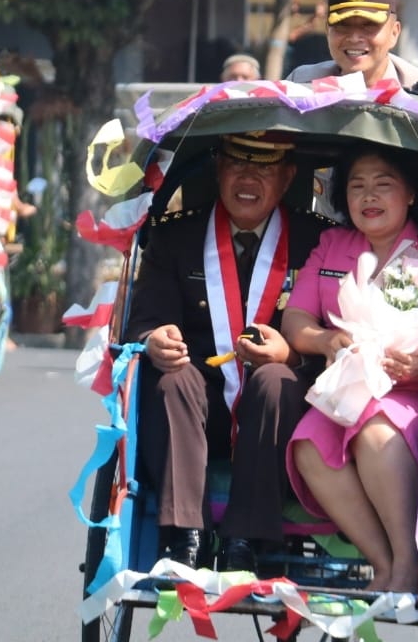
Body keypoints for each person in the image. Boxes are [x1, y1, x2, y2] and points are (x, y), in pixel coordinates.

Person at [125, 132, 333, 572]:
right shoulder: (176, 236)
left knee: (276, 381)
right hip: (199, 408)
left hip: (277, 414)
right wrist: (154, 339)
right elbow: (144, 319)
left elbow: (336, 339)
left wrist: (291, 358)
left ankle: (247, 536)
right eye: (238, 164)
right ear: (218, 169)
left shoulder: (318, 241)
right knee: (172, 377)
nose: (248, 178)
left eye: (265, 167)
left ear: (287, 176)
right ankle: (187, 534)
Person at [281, 144, 418, 594]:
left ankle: (408, 563)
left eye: (383, 184)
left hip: (412, 395)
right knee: (308, 444)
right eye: (357, 186)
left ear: (409, 193)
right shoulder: (333, 245)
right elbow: (296, 318)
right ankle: (384, 561)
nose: (369, 196)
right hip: (345, 390)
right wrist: (325, 340)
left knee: (375, 433)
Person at [286, 0, 418, 109]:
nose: (354, 38)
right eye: (343, 26)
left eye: (369, 26)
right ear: (327, 31)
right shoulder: (301, 84)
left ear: (394, 33)